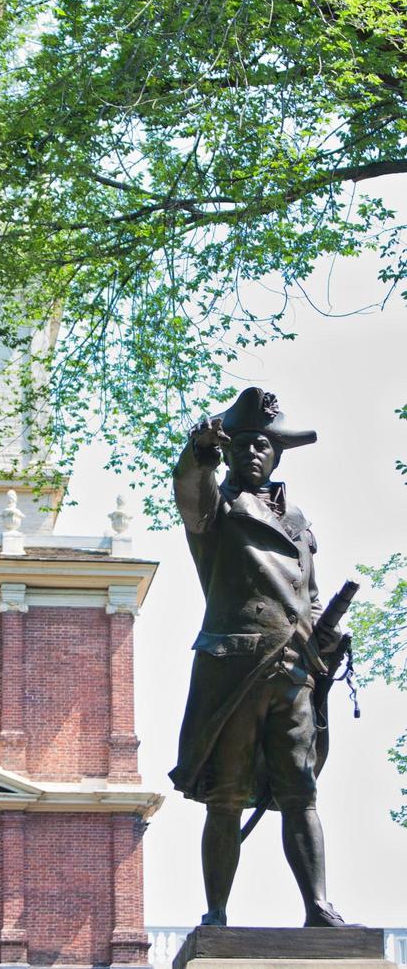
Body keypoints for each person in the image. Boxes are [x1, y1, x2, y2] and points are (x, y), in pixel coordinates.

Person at [169, 387, 349, 929]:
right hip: (235, 671)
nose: (254, 452)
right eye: (243, 444)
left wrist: (325, 636)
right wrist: (199, 451)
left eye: (264, 445)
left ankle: (318, 906)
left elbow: (308, 594)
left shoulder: (296, 517)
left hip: (293, 671)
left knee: (301, 790)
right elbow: (190, 489)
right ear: (229, 452)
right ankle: (217, 915)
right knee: (226, 797)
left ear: (276, 454)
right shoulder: (216, 508)